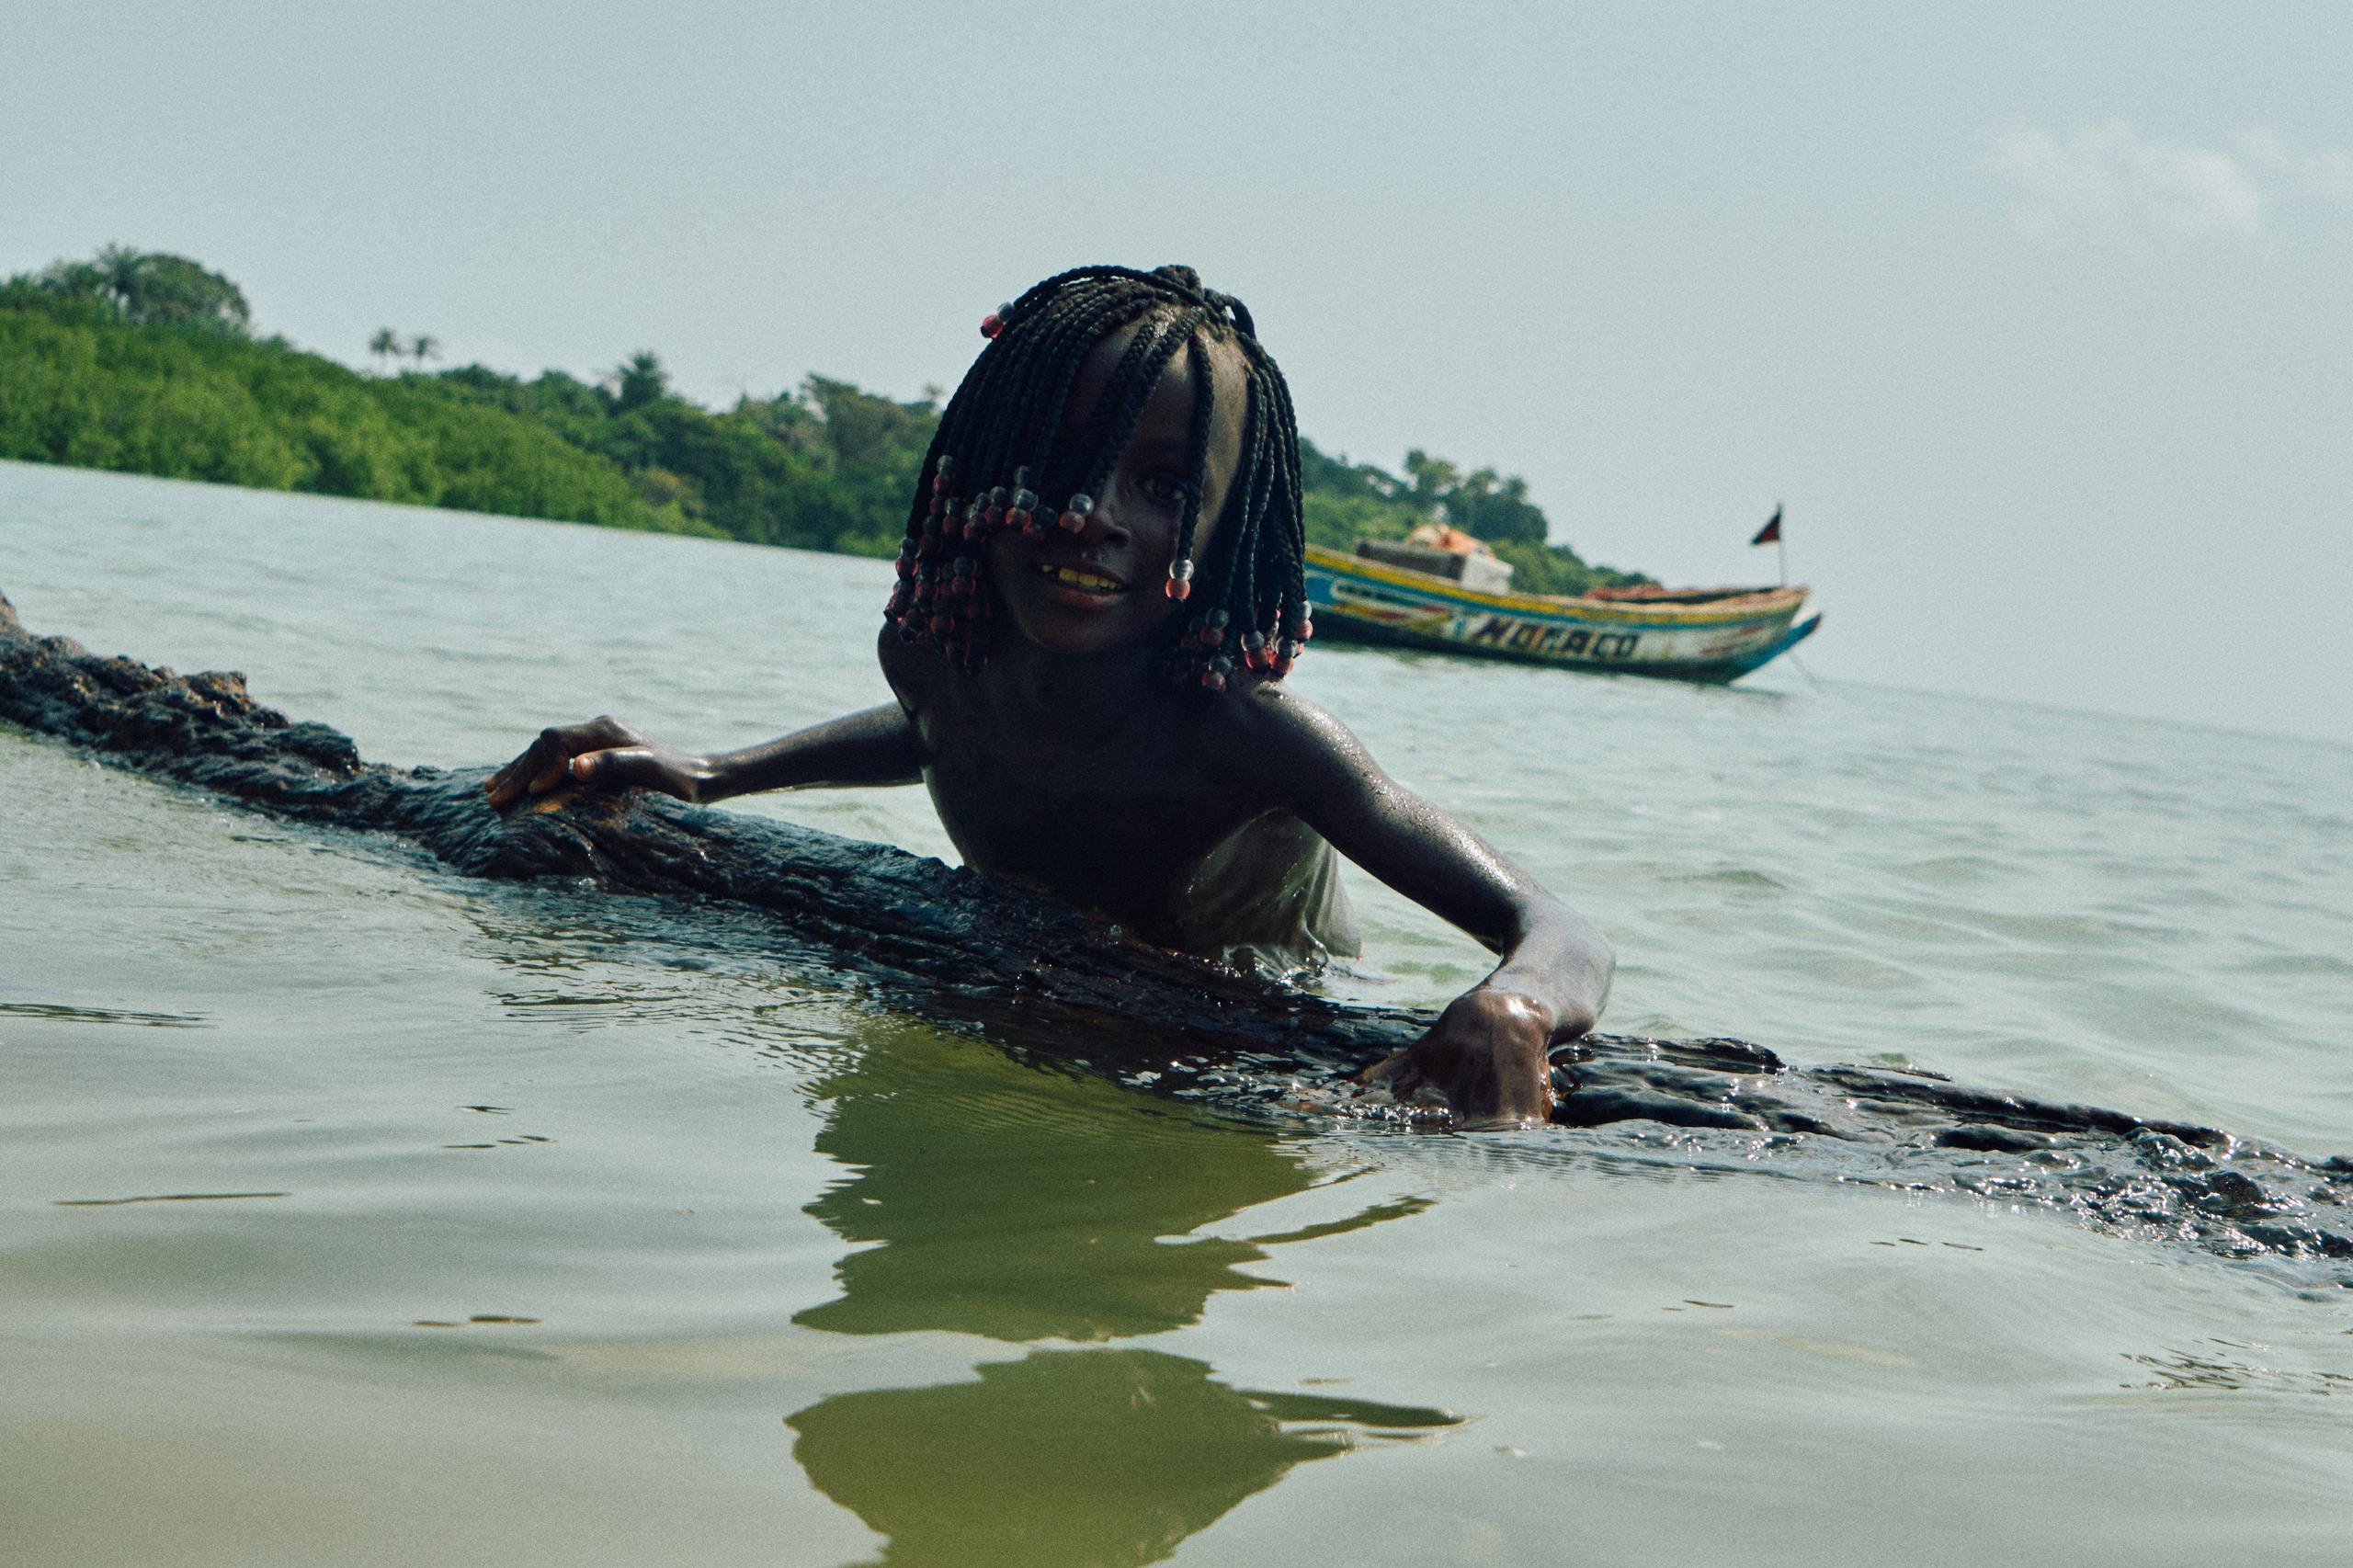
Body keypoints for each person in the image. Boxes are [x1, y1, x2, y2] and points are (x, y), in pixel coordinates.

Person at [485, 265, 1612, 1128]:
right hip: (1019, 998)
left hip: (1260, 1036)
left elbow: (1562, 930)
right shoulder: (931, 655)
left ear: (1227, 534)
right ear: (979, 462)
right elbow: (947, 736)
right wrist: (713, 770)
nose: (1092, 515)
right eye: (1060, 463)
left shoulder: (1248, 737)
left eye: (1162, 486)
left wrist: (1514, 1002)